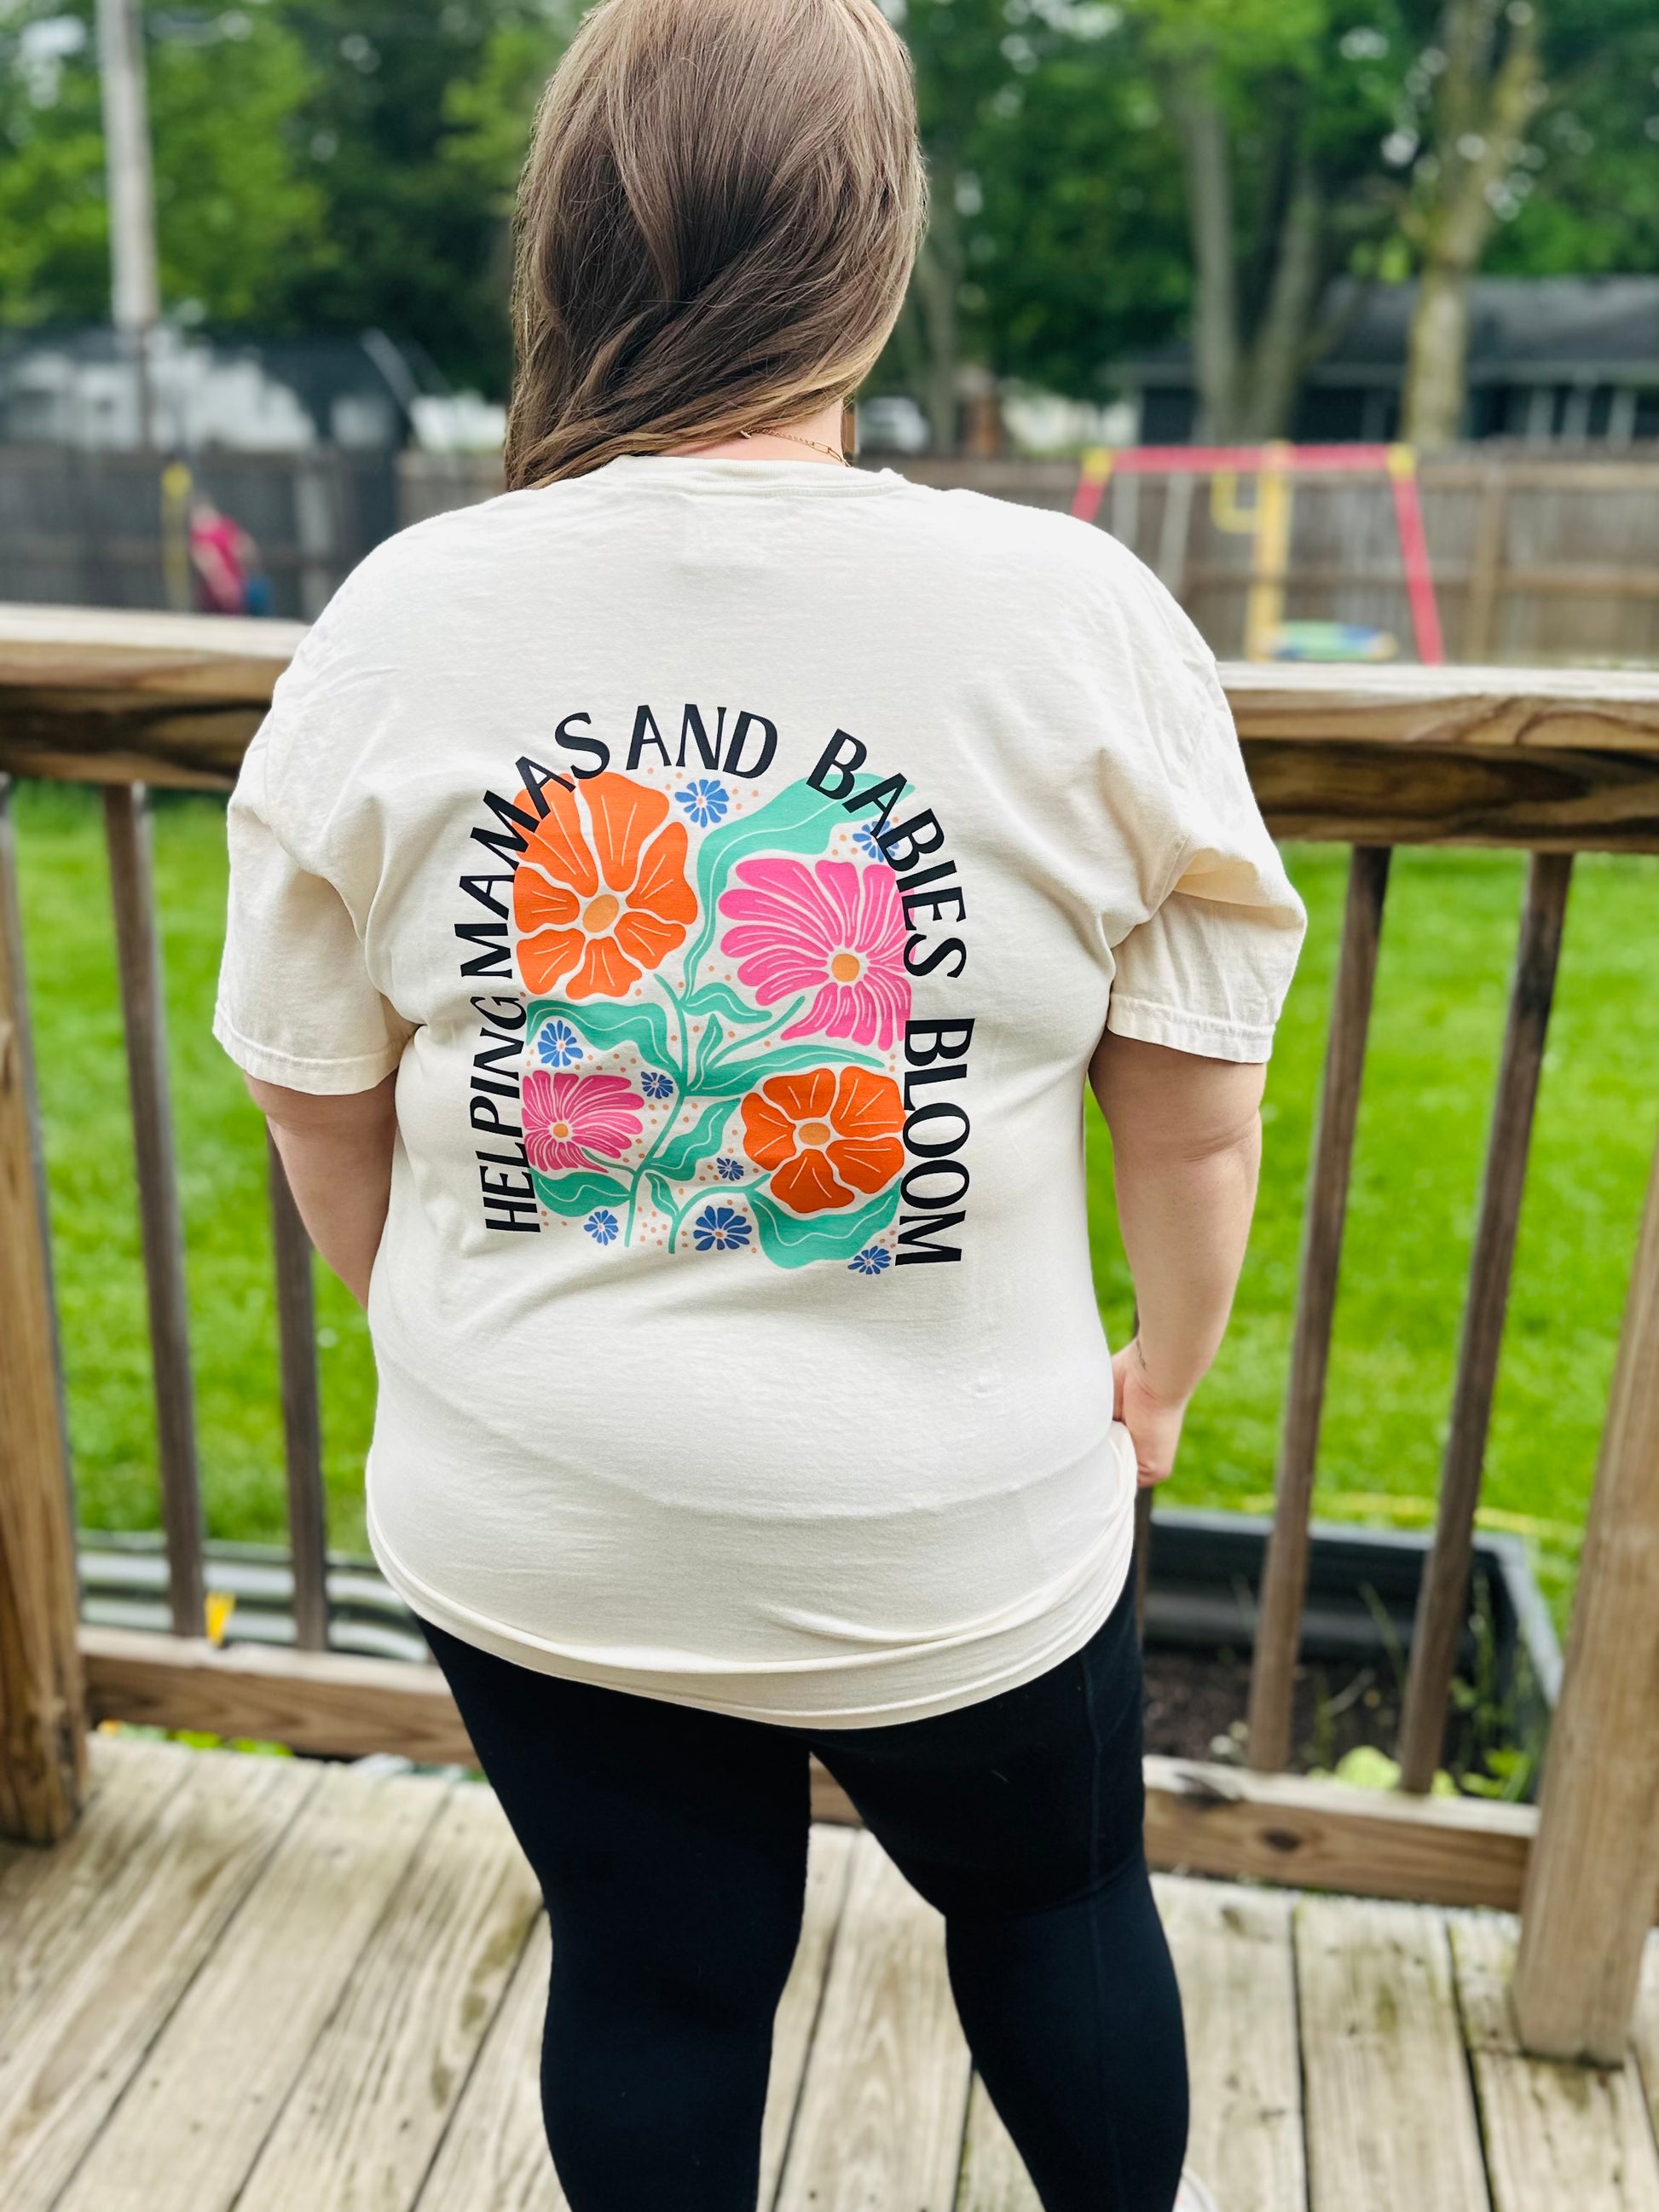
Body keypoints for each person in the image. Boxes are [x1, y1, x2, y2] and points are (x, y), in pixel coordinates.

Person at [213, 2, 1306, 2205]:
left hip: (538, 1506)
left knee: (657, 1977)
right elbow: (1191, 1117)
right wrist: (1162, 1381)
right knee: (1055, 1908)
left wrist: (451, 1333)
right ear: (874, 251)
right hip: (952, 1522)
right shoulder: (1072, 618)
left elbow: (317, 1094)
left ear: (568, 239)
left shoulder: (405, 618)